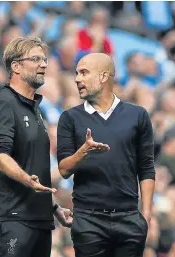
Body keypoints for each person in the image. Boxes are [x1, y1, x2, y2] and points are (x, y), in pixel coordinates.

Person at [57, 53, 155, 257]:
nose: (77, 79)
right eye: (76, 73)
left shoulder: (138, 115)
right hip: (88, 221)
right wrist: (84, 151)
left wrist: (145, 215)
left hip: (129, 219)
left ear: (103, 76)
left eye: (84, 73)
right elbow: (64, 169)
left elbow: (146, 168)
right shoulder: (69, 118)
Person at [0, 36, 73, 257]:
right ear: (15, 66)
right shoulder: (4, 102)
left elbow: (34, 171)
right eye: (35, 59)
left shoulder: (36, 110)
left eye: (44, 59)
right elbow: (0, 158)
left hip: (41, 220)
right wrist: (27, 180)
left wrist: (54, 208)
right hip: (13, 219)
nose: (44, 64)